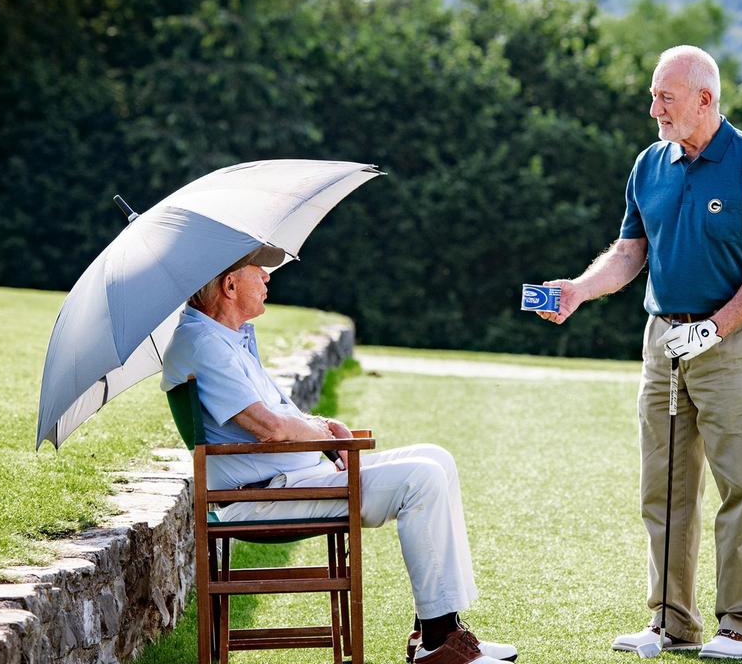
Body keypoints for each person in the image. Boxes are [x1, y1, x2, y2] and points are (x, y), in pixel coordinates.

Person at [539, 45, 742, 660]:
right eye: (654, 95)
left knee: (741, 485)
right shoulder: (649, 164)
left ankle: (741, 626)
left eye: (665, 97)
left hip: (735, 341)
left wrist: (716, 327)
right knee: (666, 486)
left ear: (704, 100)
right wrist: (578, 290)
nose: (654, 108)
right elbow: (630, 254)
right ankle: (672, 623)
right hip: (663, 342)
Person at [161, 245, 516, 664]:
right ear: (230, 284)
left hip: (294, 480)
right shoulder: (205, 344)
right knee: (421, 478)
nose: (268, 279)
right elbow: (270, 428)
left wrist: (324, 427)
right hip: (265, 497)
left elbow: (275, 415)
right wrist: (319, 434)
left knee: (436, 457)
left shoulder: (226, 339)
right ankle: (439, 647)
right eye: (260, 271)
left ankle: (440, 631)